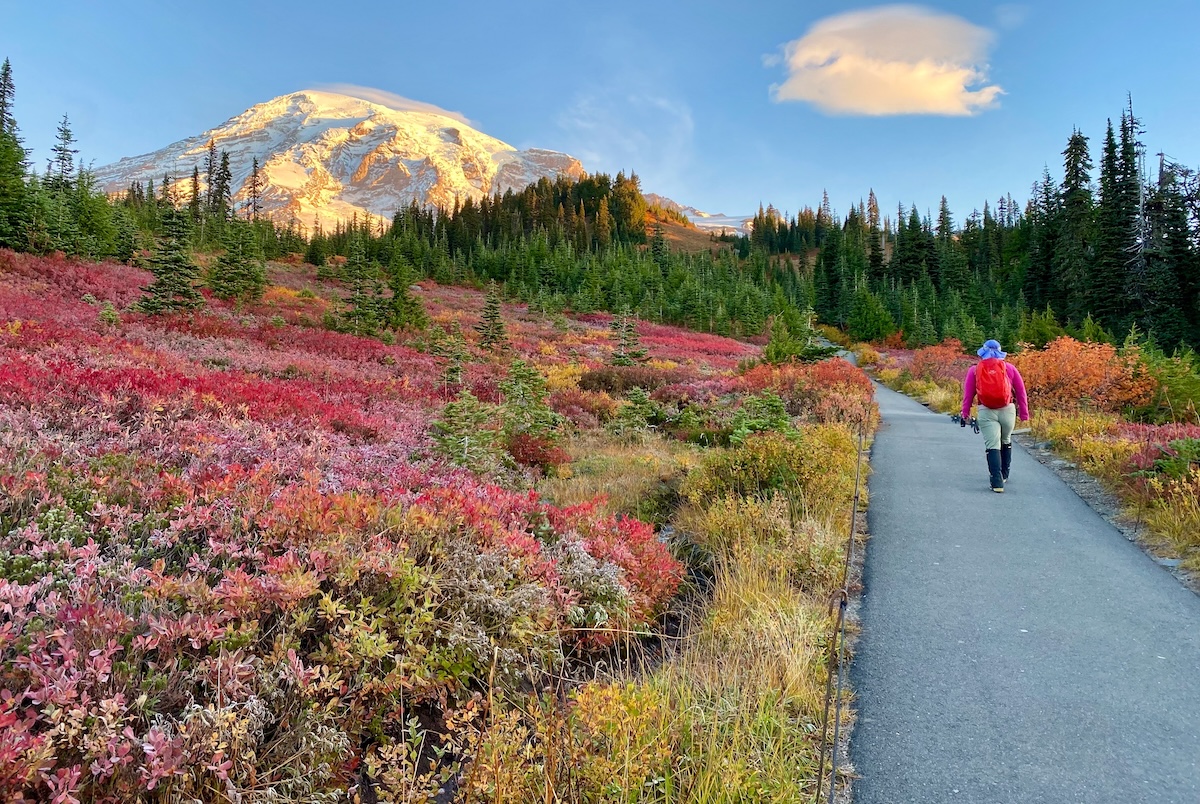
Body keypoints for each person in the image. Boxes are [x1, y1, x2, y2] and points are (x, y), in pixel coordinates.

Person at [961, 339, 1029, 493]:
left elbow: (968, 395)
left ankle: (997, 482)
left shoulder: (974, 370)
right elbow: (1021, 392)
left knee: (992, 444)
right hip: (1008, 410)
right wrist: (1024, 414)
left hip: (986, 411)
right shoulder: (1010, 368)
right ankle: (1004, 474)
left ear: (982, 352)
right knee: (1005, 440)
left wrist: (965, 413)